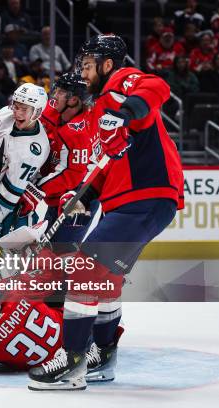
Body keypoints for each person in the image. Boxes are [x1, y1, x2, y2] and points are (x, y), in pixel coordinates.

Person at [27, 34, 184, 391]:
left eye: (87, 64)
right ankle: (103, 357)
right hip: (130, 200)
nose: (82, 72)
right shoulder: (100, 107)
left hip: (145, 195)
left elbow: (156, 86)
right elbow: (107, 165)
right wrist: (81, 195)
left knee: (83, 271)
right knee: (105, 281)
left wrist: (124, 114)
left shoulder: (120, 84)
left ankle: (72, 363)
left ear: (107, 63)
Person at [0, 82, 50, 244]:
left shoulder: (33, 151)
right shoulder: (4, 114)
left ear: (37, 112)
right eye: (16, 106)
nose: (17, 113)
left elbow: (4, 201)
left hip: (8, 194)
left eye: (24, 109)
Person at [38, 72, 94, 216]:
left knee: (60, 237)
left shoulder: (79, 133)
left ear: (74, 100)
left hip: (73, 195)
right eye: (56, 90)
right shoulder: (49, 110)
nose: (55, 96)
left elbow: (72, 174)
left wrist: (36, 189)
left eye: (61, 92)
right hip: (52, 188)